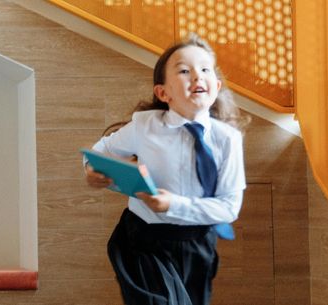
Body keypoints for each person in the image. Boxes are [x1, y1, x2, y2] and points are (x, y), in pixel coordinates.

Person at [85, 34, 249, 305]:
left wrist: (174, 204)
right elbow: (100, 151)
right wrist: (92, 169)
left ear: (216, 86)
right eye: (184, 71)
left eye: (205, 69)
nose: (197, 76)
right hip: (143, 241)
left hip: (198, 244)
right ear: (163, 93)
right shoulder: (144, 126)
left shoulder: (227, 139)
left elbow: (229, 208)